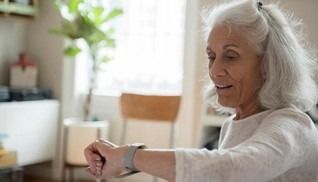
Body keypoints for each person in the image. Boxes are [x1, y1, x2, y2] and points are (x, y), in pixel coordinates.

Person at [84, 0, 318, 181]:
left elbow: (232, 168)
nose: (215, 71)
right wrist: (122, 159)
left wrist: (129, 157)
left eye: (230, 56)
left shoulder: (293, 125)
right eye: (211, 56)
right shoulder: (233, 123)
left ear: (268, 64)